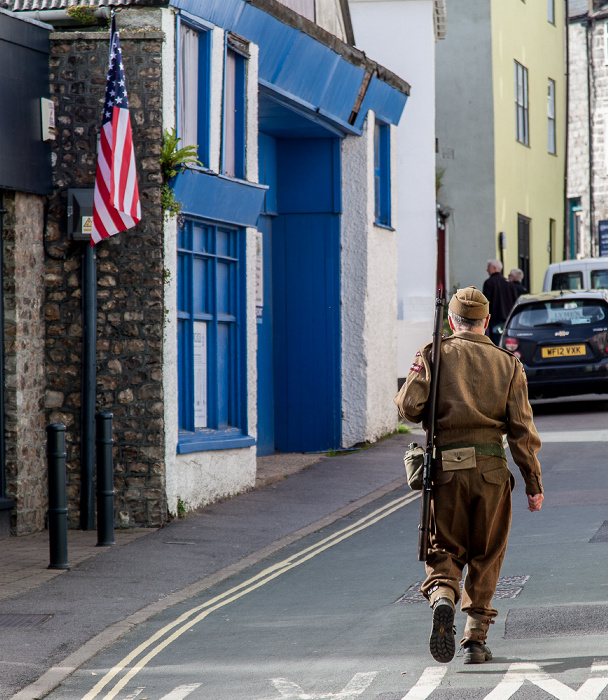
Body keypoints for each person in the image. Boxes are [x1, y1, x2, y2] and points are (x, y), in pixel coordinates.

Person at [394, 286, 543, 665]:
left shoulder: (434, 353)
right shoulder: (508, 363)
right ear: (487, 323)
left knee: (443, 547)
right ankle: (475, 638)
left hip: (445, 470)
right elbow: (523, 432)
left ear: (451, 320)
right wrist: (533, 485)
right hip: (492, 473)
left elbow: (409, 407)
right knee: (487, 553)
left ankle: (444, 593)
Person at [482, 260, 517, 344]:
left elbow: (486, 302)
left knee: (497, 343)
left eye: (488, 267)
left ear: (494, 268)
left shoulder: (489, 283)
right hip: (508, 319)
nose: (487, 270)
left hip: (495, 319)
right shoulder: (510, 284)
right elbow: (515, 302)